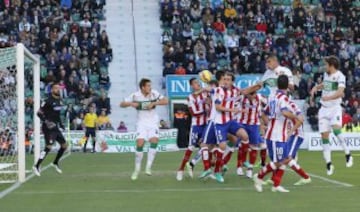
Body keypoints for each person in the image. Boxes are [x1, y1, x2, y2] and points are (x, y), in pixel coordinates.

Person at [253, 75, 302, 193]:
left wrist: (269, 124)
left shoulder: (273, 98)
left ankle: (276, 185)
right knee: (280, 161)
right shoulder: (283, 99)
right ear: (287, 85)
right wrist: (296, 117)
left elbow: (264, 113)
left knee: (286, 158)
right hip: (276, 136)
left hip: (277, 134)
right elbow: (285, 113)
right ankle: (259, 176)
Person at [310, 56, 353, 175]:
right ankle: (329, 163)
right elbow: (325, 84)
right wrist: (316, 87)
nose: (324, 66)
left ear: (331, 65)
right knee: (324, 135)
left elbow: (340, 92)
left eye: (326, 64)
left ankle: (348, 153)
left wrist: (328, 97)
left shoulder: (340, 76)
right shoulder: (326, 75)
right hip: (324, 109)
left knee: (336, 130)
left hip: (334, 108)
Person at [120, 78, 168, 180]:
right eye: (148, 86)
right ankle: (137, 169)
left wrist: (155, 103)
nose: (150, 88)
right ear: (143, 87)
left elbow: (166, 101)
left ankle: (148, 167)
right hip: (141, 122)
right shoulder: (135, 95)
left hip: (153, 122)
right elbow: (121, 104)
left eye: (150, 86)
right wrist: (131, 104)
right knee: (140, 143)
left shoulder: (154, 93)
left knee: (154, 140)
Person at [33, 83, 67, 177]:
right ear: (52, 90)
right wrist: (46, 121)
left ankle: (55, 163)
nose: (58, 90)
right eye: (56, 88)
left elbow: (57, 114)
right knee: (49, 147)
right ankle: (37, 165)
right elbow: (39, 113)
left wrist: (61, 124)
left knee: (64, 146)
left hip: (55, 127)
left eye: (59, 88)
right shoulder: (47, 100)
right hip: (48, 127)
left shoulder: (60, 100)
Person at [176, 78, 208, 181]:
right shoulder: (190, 98)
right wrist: (206, 111)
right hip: (196, 126)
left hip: (206, 125)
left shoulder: (205, 94)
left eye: (198, 83)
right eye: (195, 83)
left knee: (206, 147)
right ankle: (180, 170)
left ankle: (202, 167)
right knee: (191, 147)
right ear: (191, 86)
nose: (198, 84)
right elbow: (194, 113)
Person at [234, 91, 267, 178]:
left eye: (254, 94)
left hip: (254, 125)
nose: (253, 96)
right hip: (242, 124)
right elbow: (233, 104)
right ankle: (239, 166)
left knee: (254, 147)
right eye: (250, 94)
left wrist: (263, 124)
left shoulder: (260, 97)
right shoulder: (241, 98)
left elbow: (265, 109)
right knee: (242, 146)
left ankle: (250, 169)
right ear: (247, 94)